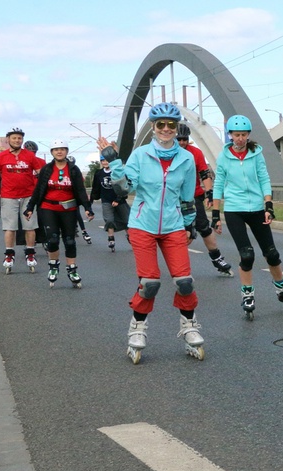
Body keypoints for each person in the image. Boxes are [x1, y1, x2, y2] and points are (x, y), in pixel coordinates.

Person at [97, 102, 205, 364]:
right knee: (150, 283)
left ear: (176, 127)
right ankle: (137, 328)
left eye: (171, 124)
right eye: (160, 125)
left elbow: (187, 195)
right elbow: (124, 189)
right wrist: (114, 163)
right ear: (153, 128)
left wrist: (190, 223)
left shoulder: (187, 158)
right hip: (143, 224)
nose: (166, 129)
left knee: (184, 280)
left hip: (173, 225)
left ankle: (189, 325)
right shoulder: (140, 155)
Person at [212, 114, 283, 320]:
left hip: (255, 207)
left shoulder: (256, 154)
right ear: (230, 136)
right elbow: (218, 185)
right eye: (236, 135)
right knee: (247, 255)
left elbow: (264, 178)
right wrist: (216, 214)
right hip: (234, 209)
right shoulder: (224, 157)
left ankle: (282, 289)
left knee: (271, 253)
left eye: (243, 135)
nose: (240, 139)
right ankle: (247, 294)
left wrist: (268, 206)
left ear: (248, 135)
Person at [24, 140, 94, 288]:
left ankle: (72, 270)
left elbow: (81, 190)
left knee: (69, 240)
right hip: (48, 208)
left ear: (67, 151)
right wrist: (30, 207)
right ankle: (53, 267)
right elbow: (38, 190)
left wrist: (88, 208)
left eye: (62, 149)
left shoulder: (73, 169)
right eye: (56, 149)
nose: (59, 152)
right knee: (53, 239)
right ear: (52, 152)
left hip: (69, 209)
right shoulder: (47, 169)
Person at [176, 123, 233, 275]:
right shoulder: (166, 153)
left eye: (185, 139)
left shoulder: (195, 153)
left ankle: (217, 258)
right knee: (176, 231)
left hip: (193, 196)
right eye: (179, 139)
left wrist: (209, 193)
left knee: (204, 227)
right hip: (172, 198)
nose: (182, 142)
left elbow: (204, 174)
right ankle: (178, 262)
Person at [0, 128, 44, 273]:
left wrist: (41, 192)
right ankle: (9, 255)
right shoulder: (1, 156)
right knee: (9, 227)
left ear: (22, 140)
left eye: (19, 138)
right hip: (8, 196)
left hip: (28, 196)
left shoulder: (29, 156)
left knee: (29, 226)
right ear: (8, 140)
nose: (17, 140)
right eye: (14, 138)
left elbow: (40, 175)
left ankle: (30, 254)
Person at [90, 155, 129, 252]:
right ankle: (111, 239)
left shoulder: (116, 172)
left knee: (127, 220)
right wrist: (89, 203)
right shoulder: (99, 173)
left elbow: (124, 186)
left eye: (107, 160)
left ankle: (130, 236)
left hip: (120, 200)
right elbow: (95, 188)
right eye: (102, 161)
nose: (105, 162)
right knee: (109, 220)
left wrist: (118, 199)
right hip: (106, 201)